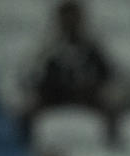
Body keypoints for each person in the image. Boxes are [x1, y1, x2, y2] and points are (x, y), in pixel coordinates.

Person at [22, 0, 117, 131]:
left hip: (85, 94)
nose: (70, 23)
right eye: (66, 19)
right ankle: (25, 146)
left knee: (111, 111)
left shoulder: (91, 47)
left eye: (74, 19)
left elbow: (107, 73)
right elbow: (36, 75)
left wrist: (92, 85)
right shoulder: (50, 47)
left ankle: (110, 147)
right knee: (27, 113)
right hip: (56, 94)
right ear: (59, 21)